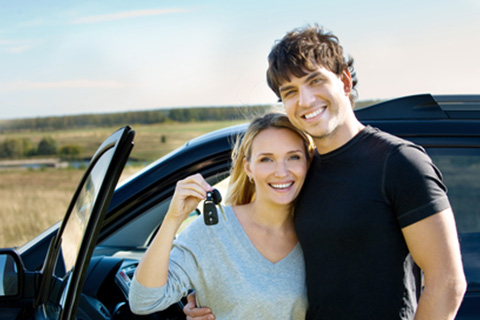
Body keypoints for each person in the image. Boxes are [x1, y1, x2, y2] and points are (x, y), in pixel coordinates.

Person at [184, 24, 467, 320]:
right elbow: (261, 249)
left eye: (315, 81)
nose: (305, 100)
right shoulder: (298, 173)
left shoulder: (398, 162)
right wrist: (205, 295)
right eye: (290, 91)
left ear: (344, 81)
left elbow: (447, 282)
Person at [129, 112, 314, 319]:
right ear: (249, 168)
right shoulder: (213, 231)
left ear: (308, 162)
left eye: (293, 157)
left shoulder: (321, 234)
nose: (281, 171)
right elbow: (144, 301)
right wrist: (173, 219)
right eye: (266, 159)